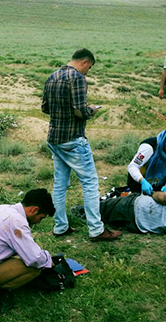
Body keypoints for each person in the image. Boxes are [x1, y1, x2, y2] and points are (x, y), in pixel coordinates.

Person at [42, 48, 121, 241]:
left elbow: (45, 108)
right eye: (90, 67)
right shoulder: (76, 78)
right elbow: (79, 111)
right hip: (73, 138)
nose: (88, 71)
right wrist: (92, 109)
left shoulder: (52, 76)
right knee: (90, 183)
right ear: (85, 62)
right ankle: (96, 229)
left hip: (54, 137)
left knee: (60, 184)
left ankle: (60, 226)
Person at [127, 124, 166, 195]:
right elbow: (132, 166)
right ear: (164, 142)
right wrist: (142, 181)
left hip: (159, 181)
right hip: (139, 181)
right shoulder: (148, 148)